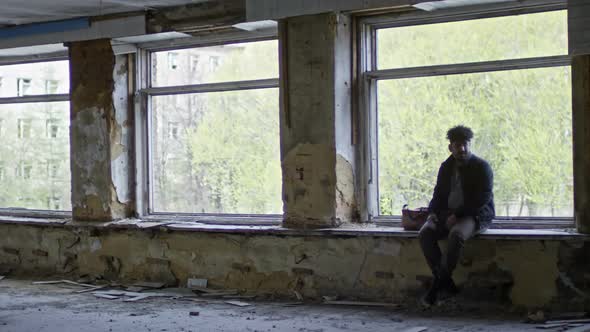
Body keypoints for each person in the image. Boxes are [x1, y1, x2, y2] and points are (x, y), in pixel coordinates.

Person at [419, 125, 495, 306]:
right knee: (425, 233)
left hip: (475, 215)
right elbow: (437, 195)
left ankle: (436, 287)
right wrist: (432, 214)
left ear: (470, 144)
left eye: (465, 144)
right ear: (450, 147)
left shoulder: (481, 167)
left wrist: (459, 215)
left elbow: (482, 199)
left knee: (456, 235)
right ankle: (448, 284)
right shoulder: (446, 167)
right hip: (448, 213)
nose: (462, 148)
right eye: (457, 145)